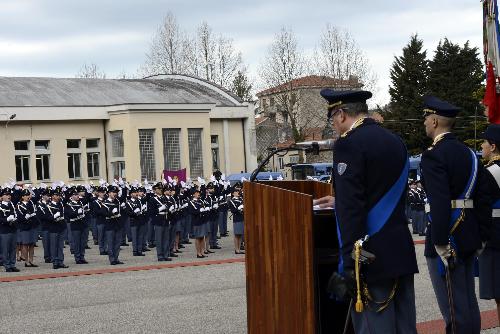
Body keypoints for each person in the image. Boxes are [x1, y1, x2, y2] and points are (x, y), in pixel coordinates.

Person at [317, 89, 418, 333]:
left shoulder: (348, 145)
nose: (333, 124)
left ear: (341, 114)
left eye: (332, 117)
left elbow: (351, 210)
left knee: (375, 327)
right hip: (399, 249)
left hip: (369, 256)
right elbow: (379, 190)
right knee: (404, 326)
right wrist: (339, 199)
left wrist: (349, 265)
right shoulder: (395, 141)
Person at [420, 96, 491, 334]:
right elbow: (483, 199)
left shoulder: (433, 155)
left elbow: (439, 203)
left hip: (446, 238)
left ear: (435, 121)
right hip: (469, 235)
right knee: (468, 305)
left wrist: (440, 241)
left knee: (452, 308)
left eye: (426, 119)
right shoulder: (470, 155)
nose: (425, 123)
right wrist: (482, 236)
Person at [478, 124, 500, 324]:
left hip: (496, 236)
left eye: (484, 143)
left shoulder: (488, 172)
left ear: (492, 147)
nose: (482, 146)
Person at [65, 189, 88, 264]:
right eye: (75, 195)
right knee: (76, 242)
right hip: (75, 225)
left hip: (82, 224)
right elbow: (70, 214)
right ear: (71, 196)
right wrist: (77, 212)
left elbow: (88, 198)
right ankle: (77, 258)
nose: (77, 196)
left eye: (77, 194)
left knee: (83, 242)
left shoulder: (80, 202)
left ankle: (82, 256)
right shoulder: (69, 204)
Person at [16, 189, 38, 267]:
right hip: (24, 227)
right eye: (26, 195)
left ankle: (31, 260)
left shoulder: (31, 203)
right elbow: (19, 217)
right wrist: (25, 217)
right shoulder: (19, 205)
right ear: (22, 197)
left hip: (32, 225)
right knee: (25, 244)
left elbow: (35, 212)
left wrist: (31, 216)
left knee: (32, 244)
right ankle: (26, 261)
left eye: (28, 195)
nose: (28, 196)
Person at [47, 189, 68, 269]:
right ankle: (55, 262)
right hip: (53, 228)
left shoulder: (60, 204)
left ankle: (60, 261)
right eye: (56, 195)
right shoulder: (48, 205)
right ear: (52, 196)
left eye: (59, 195)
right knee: (54, 246)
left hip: (61, 227)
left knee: (60, 245)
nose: (58, 197)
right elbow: (47, 217)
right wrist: (54, 217)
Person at [0, 188, 20, 272]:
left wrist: (15, 219)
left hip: (12, 229)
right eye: (6, 195)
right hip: (4, 230)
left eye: (9, 195)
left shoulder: (11, 205)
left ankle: (12, 264)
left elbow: (16, 214)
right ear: (2, 196)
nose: (8, 196)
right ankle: (7, 265)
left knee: (13, 248)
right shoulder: (0, 206)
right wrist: (7, 219)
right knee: (5, 249)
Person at [103, 186, 124, 265]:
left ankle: (116, 258)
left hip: (118, 224)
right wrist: (111, 213)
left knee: (117, 243)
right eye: (113, 192)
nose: (115, 194)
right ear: (109, 193)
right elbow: (103, 213)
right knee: (111, 243)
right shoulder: (105, 202)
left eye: (116, 193)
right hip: (110, 225)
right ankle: (112, 259)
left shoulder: (117, 201)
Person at [124, 187, 146, 256]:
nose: (136, 193)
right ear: (131, 194)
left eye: (136, 192)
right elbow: (128, 213)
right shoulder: (128, 203)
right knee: (134, 237)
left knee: (140, 236)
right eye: (134, 192)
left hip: (140, 220)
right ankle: (135, 251)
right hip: (133, 221)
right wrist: (134, 213)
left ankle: (139, 250)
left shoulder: (139, 201)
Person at [188, 187, 208, 258]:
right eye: (197, 193)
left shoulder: (200, 201)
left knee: (202, 237)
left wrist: (205, 209)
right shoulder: (191, 202)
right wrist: (199, 211)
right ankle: (198, 253)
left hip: (202, 220)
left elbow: (204, 207)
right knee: (197, 237)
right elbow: (192, 211)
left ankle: (202, 252)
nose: (198, 194)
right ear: (193, 194)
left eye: (199, 193)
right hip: (196, 221)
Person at [228, 186, 244, 254]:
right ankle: (236, 249)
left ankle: (239, 249)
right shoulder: (231, 201)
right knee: (237, 234)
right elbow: (233, 210)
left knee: (240, 234)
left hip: (242, 218)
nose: (238, 193)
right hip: (237, 218)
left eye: (238, 191)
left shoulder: (241, 199)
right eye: (236, 192)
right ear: (233, 193)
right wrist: (239, 208)